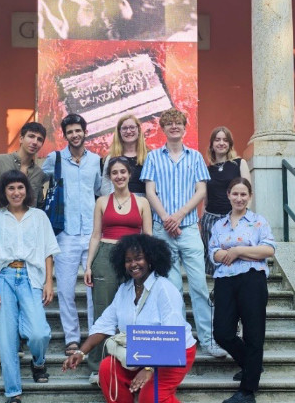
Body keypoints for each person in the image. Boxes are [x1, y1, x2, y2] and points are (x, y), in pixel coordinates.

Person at [63, 234, 197, 403]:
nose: (133, 264)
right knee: (106, 368)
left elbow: (172, 337)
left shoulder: (165, 289)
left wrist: (149, 368)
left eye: (139, 258)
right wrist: (81, 352)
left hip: (174, 353)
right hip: (139, 352)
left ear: (150, 260)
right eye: (128, 260)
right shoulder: (124, 290)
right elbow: (104, 324)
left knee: (149, 397)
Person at [140, 108, 226, 357]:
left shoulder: (196, 157)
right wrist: (167, 218)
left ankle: (208, 340)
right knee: (171, 288)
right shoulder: (154, 157)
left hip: (188, 228)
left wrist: (177, 216)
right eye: (169, 124)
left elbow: (200, 192)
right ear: (163, 129)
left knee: (198, 286)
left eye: (178, 123)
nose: (174, 127)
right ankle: (178, 340)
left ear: (184, 128)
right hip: (162, 230)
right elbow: (150, 191)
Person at [0, 170, 60, 403]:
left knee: (38, 332)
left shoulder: (39, 217)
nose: (16, 192)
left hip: (31, 277)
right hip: (4, 278)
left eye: (20, 187)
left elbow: (48, 253)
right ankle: (13, 392)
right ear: (4, 192)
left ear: (27, 190)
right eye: (10, 188)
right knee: (6, 338)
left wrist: (48, 282)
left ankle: (38, 362)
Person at [0, 122, 48, 360]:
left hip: (23, 244)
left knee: (21, 293)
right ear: (21, 138)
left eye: (39, 139)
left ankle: (18, 342)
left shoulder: (39, 173)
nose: (34, 142)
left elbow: (36, 204)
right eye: (31, 137)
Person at [85, 156, 152, 382]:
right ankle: (98, 366)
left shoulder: (142, 203)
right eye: (114, 173)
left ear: (129, 174)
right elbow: (95, 235)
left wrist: (149, 266)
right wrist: (88, 265)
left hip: (134, 259)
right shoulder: (102, 202)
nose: (119, 176)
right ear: (109, 177)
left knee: (136, 311)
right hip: (106, 255)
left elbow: (148, 237)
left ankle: (134, 360)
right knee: (103, 310)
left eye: (123, 172)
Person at [209, 178, 276, 403]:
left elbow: (268, 249)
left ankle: (248, 391)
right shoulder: (219, 225)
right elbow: (214, 253)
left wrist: (236, 251)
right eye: (235, 194)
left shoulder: (258, 222)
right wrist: (244, 251)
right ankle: (252, 365)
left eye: (243, 194)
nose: (239, 198)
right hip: (225, 281)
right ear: (228, 195)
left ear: (250, 196)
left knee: (253, 333)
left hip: (252, 280)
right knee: (222, 332)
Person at [42, 113, 101, 357]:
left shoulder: (96, 160)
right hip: (64, 233)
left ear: (85, 132)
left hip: (91, 233)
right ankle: (72, 337)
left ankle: (95, 333)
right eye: (70, 132)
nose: (75, 135)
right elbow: (39, 185)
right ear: (64, 135)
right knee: (65, 289)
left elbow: (98, 190)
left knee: (93, 289)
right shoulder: (54, 159)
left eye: (78, 130)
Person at [200, 126, 251, 275]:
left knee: (233, 262)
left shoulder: (239, 163)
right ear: (212, 144)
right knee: (214, 264)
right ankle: (218, 295)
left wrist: (246, 219)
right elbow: (206, 198)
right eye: (217, 140)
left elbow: (248, 192)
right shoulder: (207, 169)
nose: (221, 143)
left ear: (230, 144)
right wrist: (202, 220)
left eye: (225, 140)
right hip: (210, 220)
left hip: (233, 220)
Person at [100, 114, 148, 197]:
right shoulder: (111, 158)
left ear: (139, 130)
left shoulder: (148, 157)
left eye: (132, 127)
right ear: (119, 132)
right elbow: (105, 188)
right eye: (124, 128)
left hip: (144, 206)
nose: (128, 131)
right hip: (118, 205)